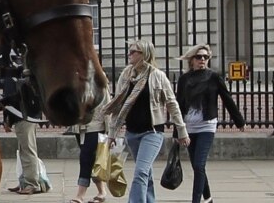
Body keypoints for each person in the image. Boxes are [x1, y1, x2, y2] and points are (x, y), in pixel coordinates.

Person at [103, 40, 190, 203]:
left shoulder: (157, 76)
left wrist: (182, 131)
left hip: (152, 132)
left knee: (140, 173)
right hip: (132, 133)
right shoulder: (126, 75)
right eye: (129, 51)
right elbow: (118, 106)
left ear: (145, 54)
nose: (129, 55)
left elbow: (172, 104)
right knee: (146, 173)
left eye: (133, 52)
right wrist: (111, 135)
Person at [176, 44, 246, 203]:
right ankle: (208, 198)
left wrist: (239, 121)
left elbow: (227, 99)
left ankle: (196, 201)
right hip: (189, 128)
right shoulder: (184, 79)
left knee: (199, 165)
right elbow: (178, 105)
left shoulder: (213, 77)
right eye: (199, 57)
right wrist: (177, 132)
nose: (202, 60)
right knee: (196, 166)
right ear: (191, 60)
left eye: (205, 57)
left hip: (206, 126)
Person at [0, 45, 47, 195]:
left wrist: (7, 121)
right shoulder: (19, 76)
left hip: (23, 117)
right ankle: (24, 181)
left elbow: (11, 101)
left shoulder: (16, 77)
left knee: (27, 150)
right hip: (25, 117)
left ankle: (32, 184)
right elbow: (0, 86)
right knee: (24, 150)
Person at [64, 86, 112, 203]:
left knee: (85, 159)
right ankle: (102, 192)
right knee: (91, 161)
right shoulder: (74, 83)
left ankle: (80, 195)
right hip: (79, 127)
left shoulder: (100, 84)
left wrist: (109, 130)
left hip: (95, 126)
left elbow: (107, 107)